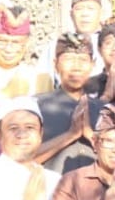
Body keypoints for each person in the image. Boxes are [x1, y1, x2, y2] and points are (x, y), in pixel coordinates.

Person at [36, 33, 105, 174]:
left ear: (92, 65)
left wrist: (90, 135)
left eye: (83, 60)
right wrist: (71, 135)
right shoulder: (36, 107)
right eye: (68, 59)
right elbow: (24, 159)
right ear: (55, 64)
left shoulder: (105, 110)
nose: (76, 67)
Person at [0, 4, 52, 99]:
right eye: (2, 41)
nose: (8, 49)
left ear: (27, 43)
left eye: (16, 42)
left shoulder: (39, 79)